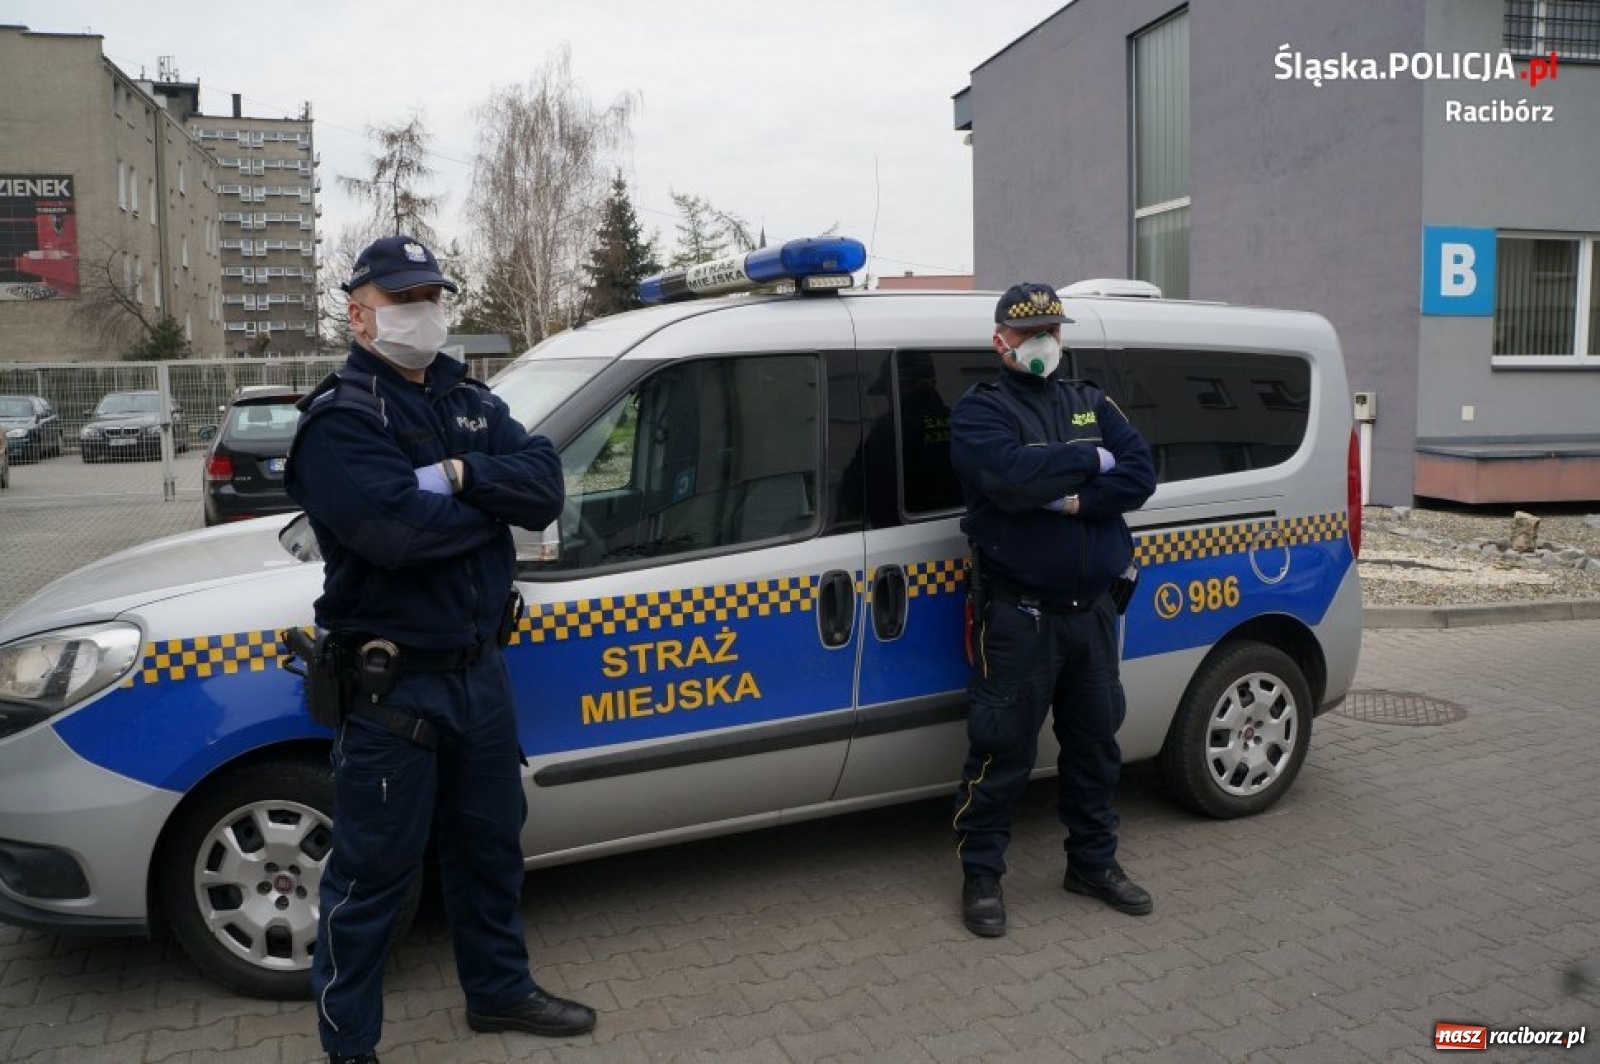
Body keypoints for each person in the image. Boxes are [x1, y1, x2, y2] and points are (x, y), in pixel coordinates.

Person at [285, 235, 595, 1064]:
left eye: (431, 296)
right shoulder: (342, 420)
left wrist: (459, 477)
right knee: (372, 877)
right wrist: (491, 509)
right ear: (359, 315)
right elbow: (395, 535)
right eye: (403, 299)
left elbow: (544, 488)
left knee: (490, 849)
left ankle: (499, 993)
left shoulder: (468, 398)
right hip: (395, 690)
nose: (422, 312)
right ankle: (349, 1044)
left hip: (479, 673)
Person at [948, 281, 1158, 938]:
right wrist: (1091, 458)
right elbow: (1009, 478)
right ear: (999, 341)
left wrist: (1071, 497)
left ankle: (1092, 865)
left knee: (1096, 750)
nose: (1043, 342)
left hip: (1092, 615)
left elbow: (1139, 474)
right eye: (1029, 332)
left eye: (1052, 330)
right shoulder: (981, 411)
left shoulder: (1090, 399)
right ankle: (982, 876)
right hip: (1021, 619)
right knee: (1000, 752)